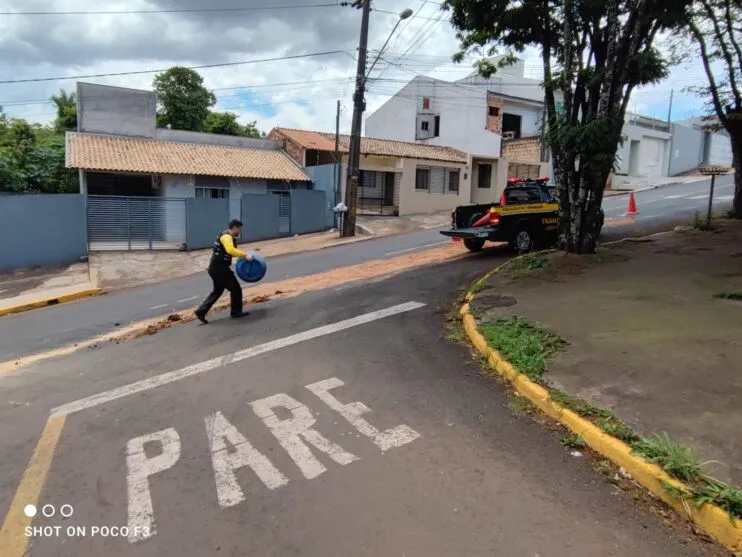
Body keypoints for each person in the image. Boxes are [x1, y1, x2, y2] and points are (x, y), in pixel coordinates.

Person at [194, 219, 252, 324]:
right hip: (220, 269)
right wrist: (245, 255)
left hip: (215, 268)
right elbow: (230, 250)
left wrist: (241, 255)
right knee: (236, 289)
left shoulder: (225, 235)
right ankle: (236, 312)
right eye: (239, 229)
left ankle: (201, 311)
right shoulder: (227, 237)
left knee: (217, 291)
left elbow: (230, 252)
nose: (240, 231)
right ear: (234, 227)